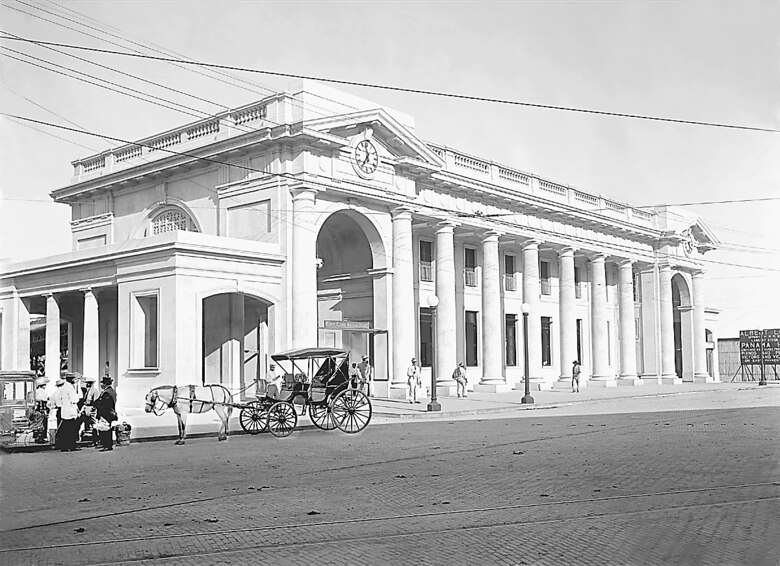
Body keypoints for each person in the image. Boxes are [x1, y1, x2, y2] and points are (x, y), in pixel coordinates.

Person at [59, 373, 81, 452]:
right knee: (71, 430)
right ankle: (71, 445)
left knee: (65, 430)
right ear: (71, 379)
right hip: (71, 410)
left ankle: (64, 446)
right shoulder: (70, 388)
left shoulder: (63, 387)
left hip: (64, 410)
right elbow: (74, 400)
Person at [95, 376, 117, 451]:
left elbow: (105, 404)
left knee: (106, 430)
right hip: (108, 413)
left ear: (105, 384)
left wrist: (97, 404)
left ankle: (107, 445)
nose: (101, 385)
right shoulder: (111, 391)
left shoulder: (107, 393)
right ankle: (105, 444)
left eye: (102, 383)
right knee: (104, 428)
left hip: (106, 413)